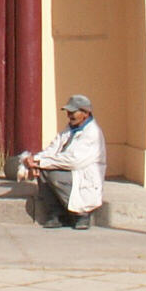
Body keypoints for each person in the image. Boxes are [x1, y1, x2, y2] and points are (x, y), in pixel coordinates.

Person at [21, 93, 106, 229]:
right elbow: (53, 149)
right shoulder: (69, 129)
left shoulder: (92, 133)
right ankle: (57, 214)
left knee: (53, 175)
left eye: (73, 112)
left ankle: (81, 214)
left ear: (85, 113)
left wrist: (41, 162)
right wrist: (36, 160)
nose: (69, 115)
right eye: (68, 112)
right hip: (71, 173)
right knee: (42, 172)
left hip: (84, 178)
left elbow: (73, 161)